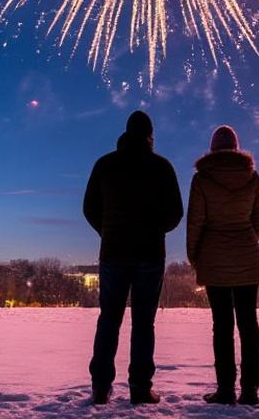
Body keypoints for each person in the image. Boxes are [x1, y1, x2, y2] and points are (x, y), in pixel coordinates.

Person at [83, 110, 183, 405]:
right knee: (143, 323)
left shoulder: (105, 165)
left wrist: (108, 231)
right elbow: (176, 212)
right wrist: (155, 230)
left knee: (108, 320)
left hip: (113, 253)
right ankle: (140, 387)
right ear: (150, 136)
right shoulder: (162, 167)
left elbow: (89, 208)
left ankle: (101, 387)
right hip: (150, 255)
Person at [186, 124, 259, 406]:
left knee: (222, 326)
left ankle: (225, 389)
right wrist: (245, 241)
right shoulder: (252, 177)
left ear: (213, 149)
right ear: (236, 147)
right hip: (247, 257)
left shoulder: (201, 180)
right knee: (249, 324)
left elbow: (195, 222)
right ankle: (250, 390)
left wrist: (195, 256)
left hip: (214, 259)